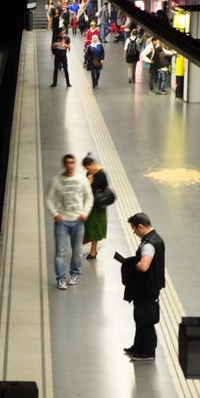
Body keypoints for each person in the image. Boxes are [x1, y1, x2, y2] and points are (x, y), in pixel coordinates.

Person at [115, 213, 165, 361]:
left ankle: (147, 352)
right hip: (149, 286)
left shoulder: (149, 244)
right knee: (140, 317)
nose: (134, 232)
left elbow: (144, 266)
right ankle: (138, 346)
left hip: (147, 288)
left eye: (134, 229)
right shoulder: (157, 239)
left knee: (145, 320)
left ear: (140, 226)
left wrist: (129, 263)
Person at [46, 153, 92, 289]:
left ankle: (75, 273)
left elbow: (89, 196)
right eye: (68, 163)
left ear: (75, 164)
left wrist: (85, 212)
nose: (70, 165)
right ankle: (61, 278)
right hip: (62, 222)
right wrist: (55, 214)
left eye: (72, 162)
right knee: (60, 252)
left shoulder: (81, 180)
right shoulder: (56, 180)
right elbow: (48, 198)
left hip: (78, 220)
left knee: (77, 250)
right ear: (64, 164)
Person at [82, 155, 111, 259]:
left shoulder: (101, 174)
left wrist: (89, 182)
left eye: (88, 167)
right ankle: (91, 248)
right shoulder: (90, 173)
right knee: (89, 226)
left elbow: (97, 186)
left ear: (92, 163)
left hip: (98, 205)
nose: (88, 169)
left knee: (95, 227)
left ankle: (93, 251)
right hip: (90, 204)